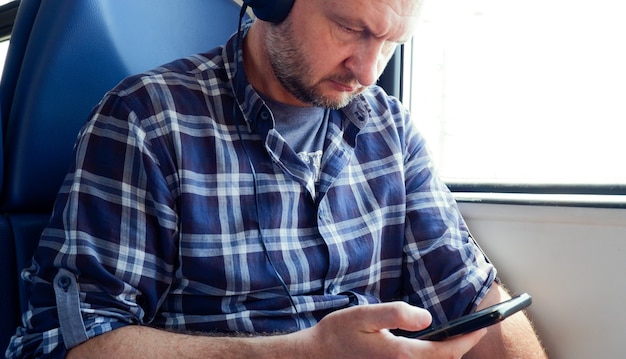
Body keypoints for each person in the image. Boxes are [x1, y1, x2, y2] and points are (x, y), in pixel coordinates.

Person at [7, 0, 547, 358]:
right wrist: (309, 350)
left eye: (391, 44)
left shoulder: (389, 128)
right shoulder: (148, 122)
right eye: (351, 28)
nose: (367, 70)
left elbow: (474, 299)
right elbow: (69, 345)